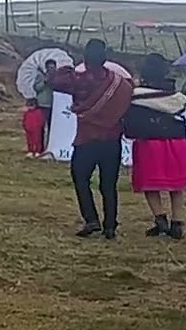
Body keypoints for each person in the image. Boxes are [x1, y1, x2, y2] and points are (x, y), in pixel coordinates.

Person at [46, 39, 133, 238]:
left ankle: (91, 219)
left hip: (86, 139)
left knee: (81, 179)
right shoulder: (120, 83)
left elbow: (52, 81)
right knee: (108, 184)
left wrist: (69, 65)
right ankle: (110, 225)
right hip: (112, 140)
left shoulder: (79, 79)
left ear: (85, 58)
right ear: (105, 58)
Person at [124, 53, 186, 240]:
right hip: (177, 142)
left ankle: (160, 219)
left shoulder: (136, 95)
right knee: (176, 185)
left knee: (150, 183)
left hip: (150, 143)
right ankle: (177, 222)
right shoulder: (175, 95)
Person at [33, 59, 57, 148]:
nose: (51, 69)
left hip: (54, 106)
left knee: (52, 128)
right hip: (42, 105)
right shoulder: (40, 76)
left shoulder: (58, 77)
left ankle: (51, 146)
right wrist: (45, 81)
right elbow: (36, 88)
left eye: (53, 67)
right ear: (46, 68)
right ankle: (40, 147)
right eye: (50, 67)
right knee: (40, 128)